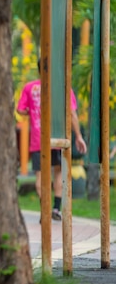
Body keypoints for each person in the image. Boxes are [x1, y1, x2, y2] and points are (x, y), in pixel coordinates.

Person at [16, 68, 87, 221]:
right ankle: (56, 208)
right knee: (58, 172)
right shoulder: (62, 88)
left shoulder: (30, 88)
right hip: (57, 136)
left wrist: (33, 112)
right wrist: (78, 136)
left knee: (40, 175)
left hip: (38, 138)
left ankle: (45, 209)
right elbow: (72, 113)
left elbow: (20, 110)